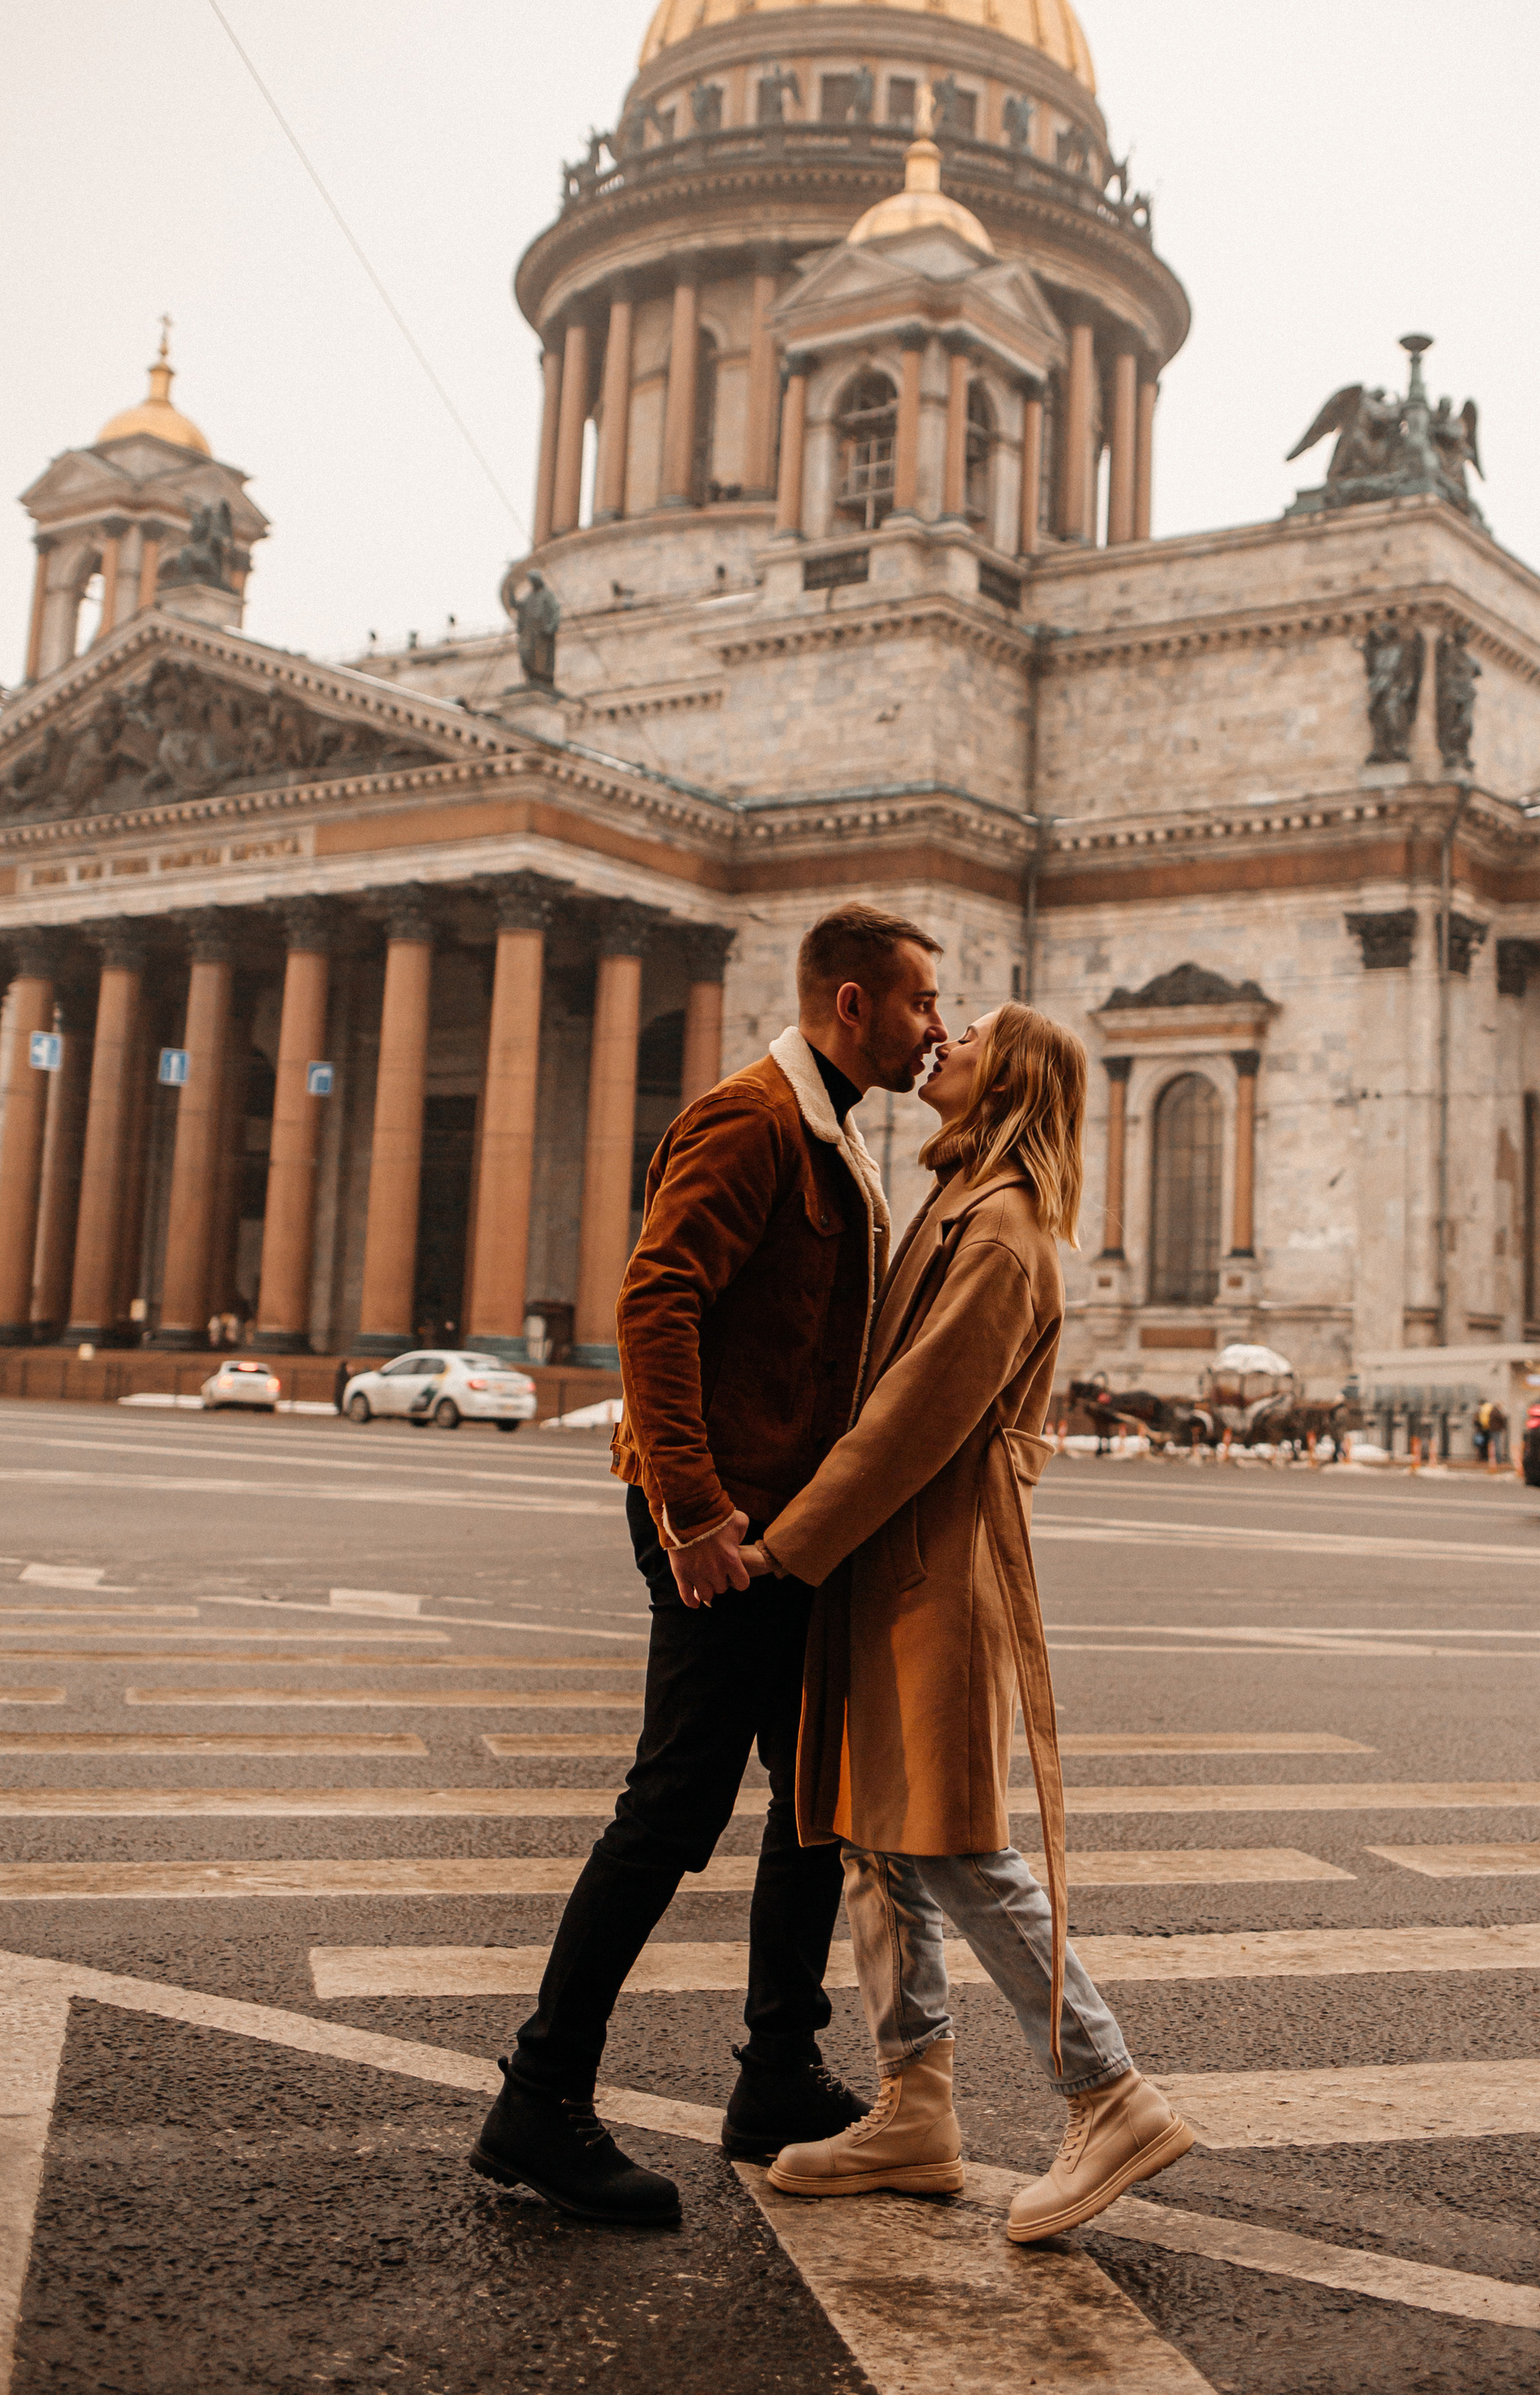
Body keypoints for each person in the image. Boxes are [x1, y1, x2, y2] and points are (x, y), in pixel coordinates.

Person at [469, 906, 947, 2226]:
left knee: (812, 1802)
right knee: (675, 1804)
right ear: (851, 1004)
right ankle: (540, 2096)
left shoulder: (829, 1126)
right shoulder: (754, 1121)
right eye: (919, 1003)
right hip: (723, 1523)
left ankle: (778, 2072)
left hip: (780, 1525)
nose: (934, 1027)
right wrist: (692, 1511)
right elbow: (655, 1300)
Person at [742, 1004, 1194, 2242]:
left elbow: (913, 1420)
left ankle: (1110, 2092)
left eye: (978, 1033)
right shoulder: (954, 1200)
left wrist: (785, 1548)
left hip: (936, 1570)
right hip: (890, 1564)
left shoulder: (1000, 1228)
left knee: (950, 1842)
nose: (947, 1037)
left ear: (1012, 1084)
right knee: (876, 1841)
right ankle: (915, 2106)